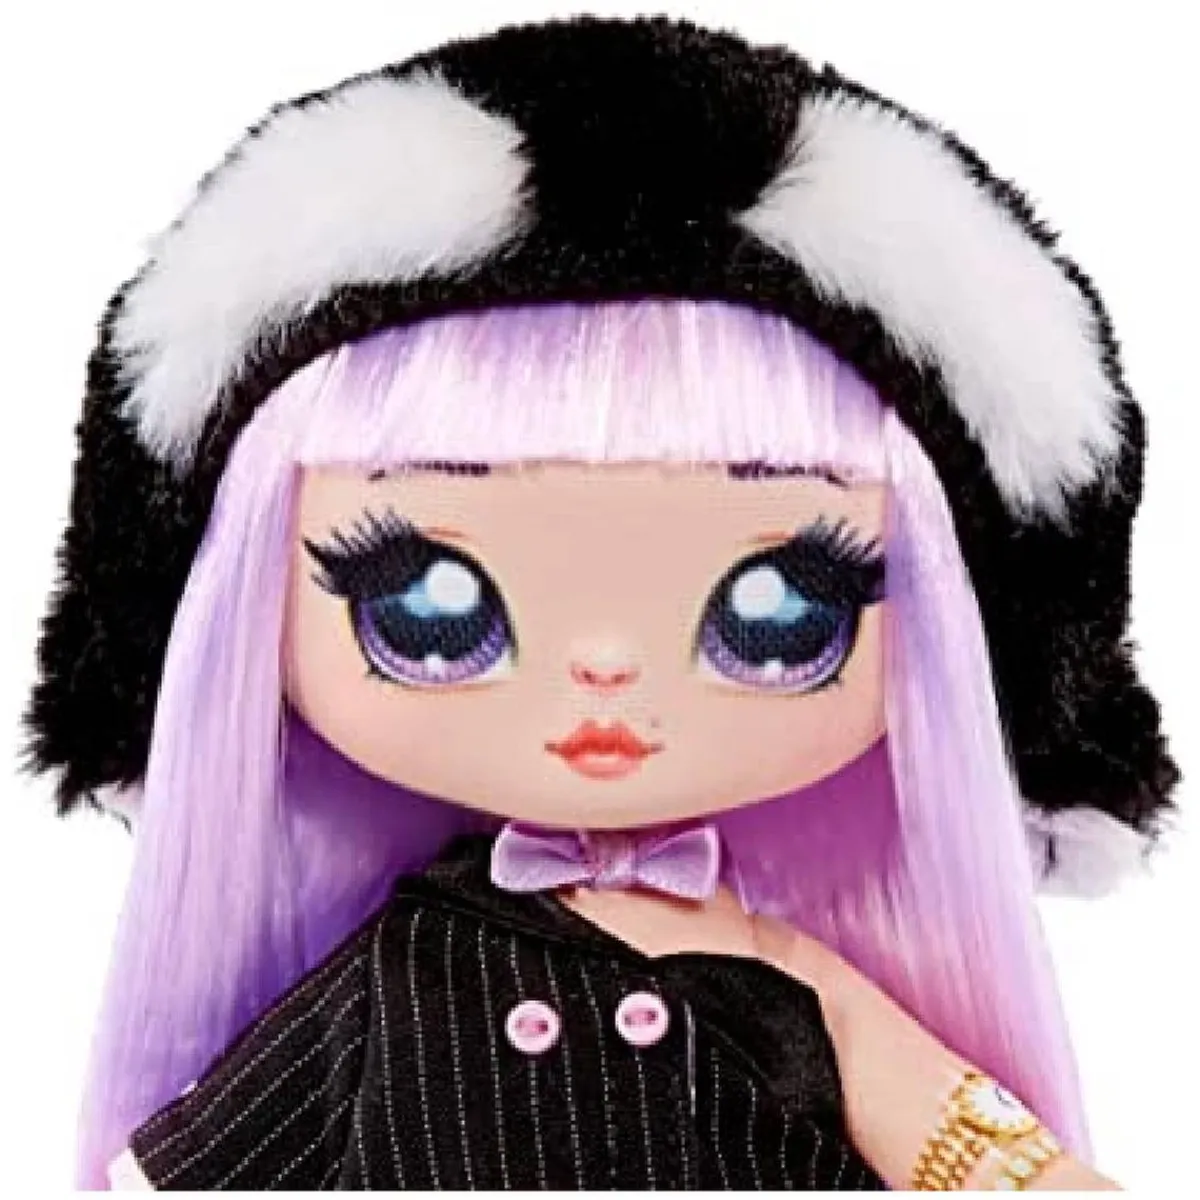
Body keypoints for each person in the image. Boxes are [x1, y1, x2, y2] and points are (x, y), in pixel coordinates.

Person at [28, 17, 1173, 1191]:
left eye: (778, 612)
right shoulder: (400, 971)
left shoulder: (780, 973)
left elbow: (971, 1151)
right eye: (430, 606)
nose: (606, 671)